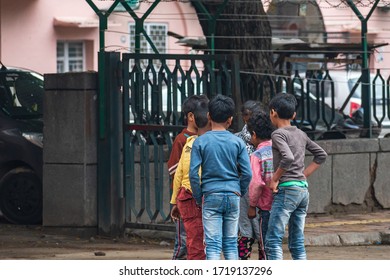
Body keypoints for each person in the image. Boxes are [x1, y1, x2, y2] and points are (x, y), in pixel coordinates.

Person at [265, 93, 327, 260]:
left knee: (273, 240)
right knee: (297, 241)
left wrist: (275, 179)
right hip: (302, 191)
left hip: (287, 191)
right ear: (294, 115)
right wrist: (303, 175)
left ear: (273, 112)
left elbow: (287, 157)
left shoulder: (278, 134)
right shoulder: (300, 133)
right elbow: (321, 155)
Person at [189, 94, 252, 260]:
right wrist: (239, 190)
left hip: (210, 195)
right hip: (233, 195)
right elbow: (247, 173)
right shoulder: (237, 142)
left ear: (209, 116)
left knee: (213, 244)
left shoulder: (200, 142)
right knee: (231, 243)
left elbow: (193, 175)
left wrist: (198, 195)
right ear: (230, 120)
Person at [167, 94, 208, 260]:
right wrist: (175, 199)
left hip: (200, 196)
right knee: (185, 239)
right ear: (191, 116)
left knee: (197, 237)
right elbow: (174, 171)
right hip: (185, 196)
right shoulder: (183, 140)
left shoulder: (205, 139)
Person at [235, 100, 263, 260]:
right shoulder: (237, 139)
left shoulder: (269, 139)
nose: (248, 119)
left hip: (263, 191)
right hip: (244, 189)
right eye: (246, 116)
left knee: (262, 232)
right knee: (245, 229)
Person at [246, 111, 274, 260]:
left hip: (266, 207)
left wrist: (252, 205)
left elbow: (256, 183)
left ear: (254, 134)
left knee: (266, 244)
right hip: (282, 205)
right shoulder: (279, 149)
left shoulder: (257, 155)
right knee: (276, 243)